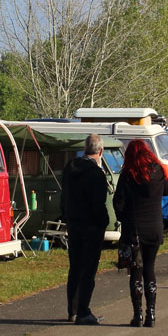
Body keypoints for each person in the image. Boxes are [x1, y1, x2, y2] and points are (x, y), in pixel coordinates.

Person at [113, 138, 168, 327]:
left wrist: (125, 218)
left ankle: (137, 315)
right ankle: (151, 315)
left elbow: (118, 202)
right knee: (150, 268)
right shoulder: (157, 170)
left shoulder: (128, 174)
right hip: (154, 227)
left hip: (135, 230)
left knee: (136, 272)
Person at [60, 134, 110, 325]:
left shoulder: (70, 168)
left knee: (75, 267)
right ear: (101, 151)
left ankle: (72, 310)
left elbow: (63, 195)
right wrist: (103, 221)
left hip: (74, 223)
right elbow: (98, 204)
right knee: (88, 270)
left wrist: (66, 215)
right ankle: (83, 311)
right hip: (90, 226)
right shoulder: (96, 174)